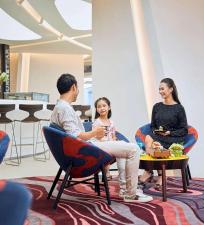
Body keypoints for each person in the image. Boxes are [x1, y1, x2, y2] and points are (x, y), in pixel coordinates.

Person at [50, 73, 153, 203]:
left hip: (84, 147)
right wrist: (95, 133)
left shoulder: (60, 107)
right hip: (86, 148)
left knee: (126, 147)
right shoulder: (64, 108)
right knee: (134, 149)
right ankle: (131, 193)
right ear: (74, 87)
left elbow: (72, 136)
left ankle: (128, 189)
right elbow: (74, 136)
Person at [139, 78, 188, 189]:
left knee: (153, 143)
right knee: (149, 138)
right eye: (159, 89)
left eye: (162, 89)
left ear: (170, 89)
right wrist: (157, 132)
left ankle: (150, 172)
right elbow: (152, 126)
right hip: (158, 136)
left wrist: (169, 132)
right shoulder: (157, 106)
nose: (160, 91)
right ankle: (155, 173)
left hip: (172, 138)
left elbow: (184, 129)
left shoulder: (179, 108)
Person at [93, 97, 126, 196]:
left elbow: (113, 136)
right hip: (101, 146)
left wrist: (116, 140)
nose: (102, 108)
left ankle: (123, 187)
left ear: (109, 107)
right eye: (99, 106)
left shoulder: (112, 122)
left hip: (111, 145)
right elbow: (96, 138)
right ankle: (106, 171)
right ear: (96, 109)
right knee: (119, 149)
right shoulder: (97, 122)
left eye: (104, 106)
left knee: (122, 154)